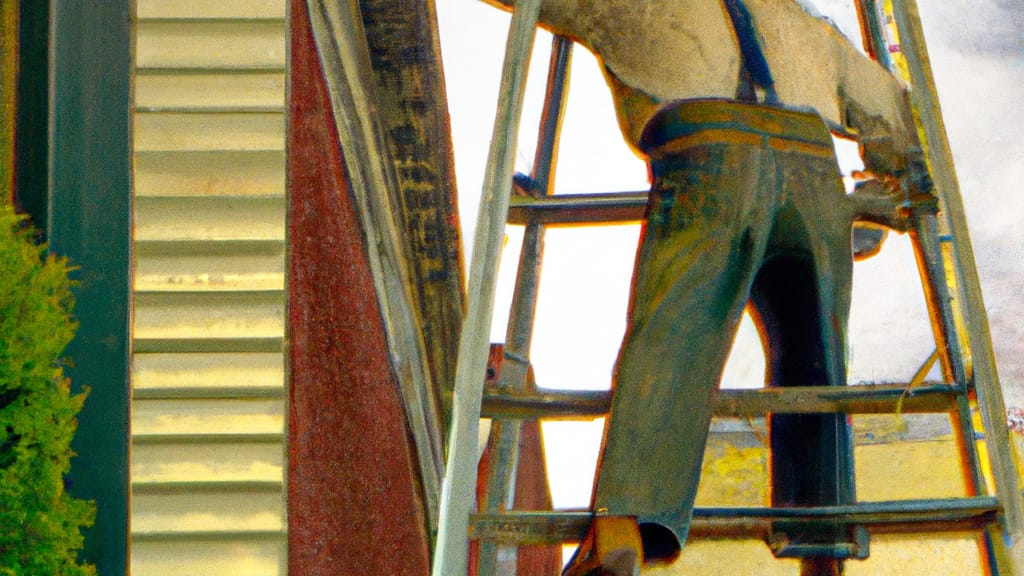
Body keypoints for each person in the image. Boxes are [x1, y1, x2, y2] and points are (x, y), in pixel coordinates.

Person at [482, 1, 926, 574]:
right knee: (816, 363)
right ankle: (823, 551)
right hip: (815, 174)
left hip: (708, 152)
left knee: (676, 333)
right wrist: (890, 184)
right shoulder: (808, 28)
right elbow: (893, 113)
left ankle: (627, 526)